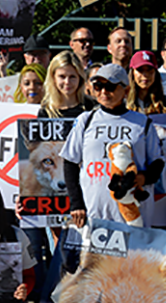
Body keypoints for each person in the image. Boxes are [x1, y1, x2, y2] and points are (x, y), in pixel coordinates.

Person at [62, 64, 161, 226]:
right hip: (94, 213)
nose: (103, 92)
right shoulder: (85, 120)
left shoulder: (143, 122)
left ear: (126, 91)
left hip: (134, 215)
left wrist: (142, 178)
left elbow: (157, 163)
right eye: (98, 86)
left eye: (110, 86)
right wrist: (76, 204)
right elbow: (70, 163)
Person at [39, 52, 89, 119]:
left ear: (80, 78)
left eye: (72, 77)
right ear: (53, 78)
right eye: (62, 76)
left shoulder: (91, 108)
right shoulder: (46, 112)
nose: (67, 82)